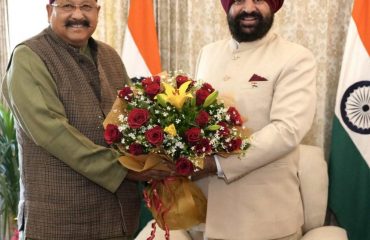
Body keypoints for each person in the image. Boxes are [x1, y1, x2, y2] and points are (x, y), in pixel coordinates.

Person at [2, 0, 170, 239]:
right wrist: (123, 169)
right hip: (59, 223)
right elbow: (53, 133)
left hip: (117, 219)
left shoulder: (110, 56)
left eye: (86, 6)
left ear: (98, 12)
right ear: (50, 11)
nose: (78, 15)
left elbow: (133, 122)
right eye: (68, 5)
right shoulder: (29, 57)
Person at [191, 0, 317, 239]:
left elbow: (286, 130)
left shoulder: (296, 57)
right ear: (227, 7)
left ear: (273, 6)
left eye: (258, 0)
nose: (248, 8)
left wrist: (216, 164)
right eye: (238, 1)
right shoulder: (208, 53)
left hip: (264, 220)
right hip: (204, 215)